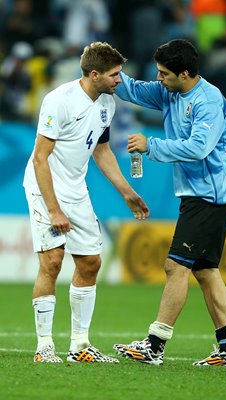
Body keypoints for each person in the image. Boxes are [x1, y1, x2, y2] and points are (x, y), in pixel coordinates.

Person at [113, 39, 226, 367]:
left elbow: (199, 147)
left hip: (208, 195)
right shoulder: (170, 90)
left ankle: (154, 345)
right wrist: (106, 70)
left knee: (176, 266)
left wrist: (151, 146)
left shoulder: (209, 101)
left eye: (164, 73)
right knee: (205, 271)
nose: (158, 79)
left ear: (184, 73)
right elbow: (133, 90)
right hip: (198, 194)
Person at [23, 41, 149, 364]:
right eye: (114, 74)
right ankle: (44, 346)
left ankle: (79, 345)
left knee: (91, 263)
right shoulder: (59, 101)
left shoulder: (108, 103)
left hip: (76, 189)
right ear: (95, 74)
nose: (120, 80)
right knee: (52, 260)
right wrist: (53, 209)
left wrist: (126, 191)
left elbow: (101, 150)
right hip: (44, 186)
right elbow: (40, 158)